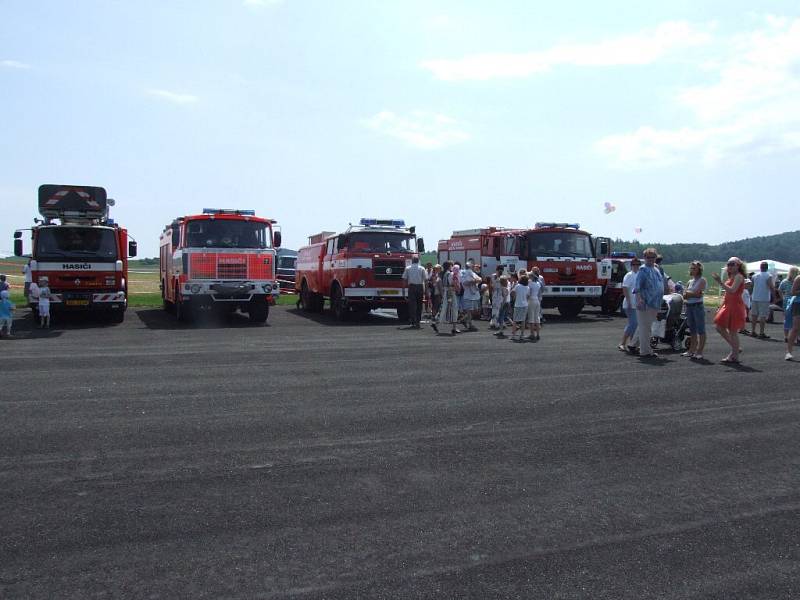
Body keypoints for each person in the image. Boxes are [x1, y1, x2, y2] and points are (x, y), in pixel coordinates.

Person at [711, 257, 747, 364]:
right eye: (728, 264)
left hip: (735, 306)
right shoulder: (731, 277)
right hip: (728, 306)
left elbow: (732, 290)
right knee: (719, 327)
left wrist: (720, 282)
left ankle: (734, 354)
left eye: (732, 264)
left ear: (738, 266)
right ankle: (735, 348)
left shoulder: (739, 277)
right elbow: (727, 294)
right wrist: (721, 306)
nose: (730, 266)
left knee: (732, 331)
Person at [635, 248, 664, 358]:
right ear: (644, 258)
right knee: (644, 328)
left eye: (653, 257)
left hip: (655, 303)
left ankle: (643, 348)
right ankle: (645, 351)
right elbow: (637, 287)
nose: (650, 259)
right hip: (645, 303)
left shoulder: (656, 269)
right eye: (648, 257)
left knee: (648, 328)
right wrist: (640, 300)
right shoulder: (643, 270)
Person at [682, 261, 707, 360]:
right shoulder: (689, 282)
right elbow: (685, 295)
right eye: (691, 268)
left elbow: (698, 294)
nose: (692, 270)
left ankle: (699, 351)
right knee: (692, 330)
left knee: (701, 330)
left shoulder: (702, 280)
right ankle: (691, 350)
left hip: (697, 306)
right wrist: (691, 293)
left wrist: (690, 293)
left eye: (694, 268)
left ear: (699, 270)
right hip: (689, 306)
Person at [618, 256, 641, 352]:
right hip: (629, 304)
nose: (636, 266)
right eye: (634, 264)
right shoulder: (628, 275)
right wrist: (629, 301)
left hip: (637, 304)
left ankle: (632, 344)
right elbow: (625, 289)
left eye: (638, 264)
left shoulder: (640, 275)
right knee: (633, 323)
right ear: (631, 266)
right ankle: (622, 343)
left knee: (635, 324)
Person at [432, 262, 460, 335]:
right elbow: (452, 283)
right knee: (453, 308)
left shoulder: (444, 274)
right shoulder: (450, 274)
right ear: (449, 266)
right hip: (450, 292)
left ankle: (437, 322)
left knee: (444, 308)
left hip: (446, 292)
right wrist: (457, 287)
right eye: (452, 265)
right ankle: (453, 327)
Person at [749, 261, 774, 339]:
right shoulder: (768, 276)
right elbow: (771, 286)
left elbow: (752, 286)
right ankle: (761, 332)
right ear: (767, 268)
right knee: (763, 315)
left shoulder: (754, 276)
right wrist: (774, 295)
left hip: (755, 297)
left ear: (760, 267)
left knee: (754, 315)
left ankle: (753, 331)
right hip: (764, 298)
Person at [401, 256, 427, 328]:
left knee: (412, 305)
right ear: (418, 261)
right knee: (419, 305)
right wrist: (426, 290)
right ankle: (418, 321)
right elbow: (425, 280)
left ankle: (413, 321)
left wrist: (403, 290)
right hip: (420, 287)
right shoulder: (422, 268)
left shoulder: (408, 268)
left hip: (411, 287)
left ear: (412, 260)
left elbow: (404, 279)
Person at [778, 266, 799, 342]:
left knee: (787, 319)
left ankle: (786, 336)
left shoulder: (785, 281)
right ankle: (797, 337)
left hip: (787, 300)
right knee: (797, 319)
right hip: (796, 300)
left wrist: (782, 297)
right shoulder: (797, 281)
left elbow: (779, 290)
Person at [459, 261, 481, 332]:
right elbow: (465, 283)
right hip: (468, 295)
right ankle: (470, 324)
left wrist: (474, 281)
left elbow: (480, 279)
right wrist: (474, 281)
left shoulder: (472, 273)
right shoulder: (464, 273)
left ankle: (463, 320)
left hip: (474, 294)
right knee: (469, 311)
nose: (473, 267)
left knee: (474, 310)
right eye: (472, 266)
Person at [784, 271, 800, 360]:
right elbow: (793, 292)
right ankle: (789, 352)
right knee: (795, 328)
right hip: (798, 304)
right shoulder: (798, 278)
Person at [511, 273, 531, 341]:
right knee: (523, 320)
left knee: (515, 320)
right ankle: (522, 335)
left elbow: (512, 292)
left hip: (518, 304)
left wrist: (514, 297)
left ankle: (513, 335)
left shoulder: (517, 286)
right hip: (525, 305)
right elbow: (528, 296)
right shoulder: (527, 287)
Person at [527, 269, 543, 341]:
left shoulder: (530, 283)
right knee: (537, 317)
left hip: (531, 300)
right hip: (537, 300)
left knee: (531, 318)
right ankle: (538, 334)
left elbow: (528, 293)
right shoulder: (538, 283)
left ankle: (532, 334)